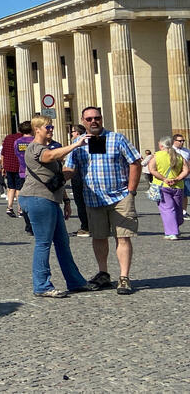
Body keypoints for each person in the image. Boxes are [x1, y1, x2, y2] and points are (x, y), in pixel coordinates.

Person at [64, 106, 141, 295]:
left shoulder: (117, 138)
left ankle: (124, 277)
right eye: (89, 119)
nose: (93, 121)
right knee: (98, 237)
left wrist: (131, 190)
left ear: (102, 118)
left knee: (123, 237)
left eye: (96, 118)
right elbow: (70, 169)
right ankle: (103, 273)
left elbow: (135, 162)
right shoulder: (77, 143)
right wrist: (49, 176)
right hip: (92, 198)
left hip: (120, 196)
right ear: (83, 121)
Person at [17, 117, 89, 297]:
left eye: (52, 127)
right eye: (47, 127)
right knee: (43, 243)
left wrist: (66, 200)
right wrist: (75, 145)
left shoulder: (46, 147)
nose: (51, 129)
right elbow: (50, 157)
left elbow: (56, 178)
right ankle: (41, 285)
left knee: (63, 242)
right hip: (37, 199)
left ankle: (75, 281)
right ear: (37, 129)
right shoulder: (35, 148)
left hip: (50, 199)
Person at [147, 136, 188, 240]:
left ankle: (172, 232)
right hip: (178, 186)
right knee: (178, 208)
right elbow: (186, 170)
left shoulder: (157, 156)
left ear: (161, 146)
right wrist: (177, 178)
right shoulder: (179, 156)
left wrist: (164, 179)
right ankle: (177, 224)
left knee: (167, 209)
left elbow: (152, 169)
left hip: (163, 186)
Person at [69, 126, 90, 237]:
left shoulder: (76, 142)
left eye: (72, 132)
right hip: (88, 178)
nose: (71, 134)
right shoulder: (99, 139)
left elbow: (70, 164)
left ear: (77, 132)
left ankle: (86, 227)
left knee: (81, 203)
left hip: (78, 177)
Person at [0, 125, 25, 216]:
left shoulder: (8, 138)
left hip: (9, 166)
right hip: (20, 166)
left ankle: (9, 207)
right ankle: (20, 209)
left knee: (11, 187)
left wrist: (2, 166)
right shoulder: (23, 139)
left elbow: (3, 153)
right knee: (19, 188)